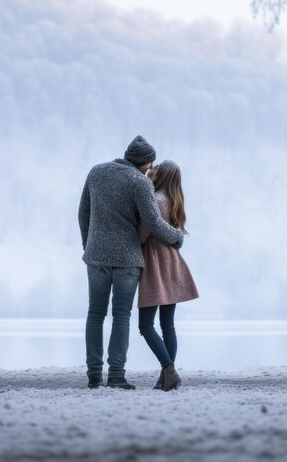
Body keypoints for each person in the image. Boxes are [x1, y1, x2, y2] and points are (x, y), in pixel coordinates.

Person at [78, 136, 184, 390]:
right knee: (121, 315)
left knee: (95, 314)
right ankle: (116, 375)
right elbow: (155, 223)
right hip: (127, 258)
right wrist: (177, 237)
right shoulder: (139, 182)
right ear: (144, 162)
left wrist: (87, 244)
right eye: (150, 165)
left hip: (96, 255)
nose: (151, 169)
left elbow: (83, 212)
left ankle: (94, 375)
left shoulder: (96, 172)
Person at [138, 160, 199, 391]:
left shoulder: (155, 200)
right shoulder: (174, 201)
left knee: (145, 325)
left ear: (161, 175)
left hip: (155, 262)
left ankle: (169, 370)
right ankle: (166, 377)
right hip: (172, 263)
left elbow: (143, 233)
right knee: (167, 324)